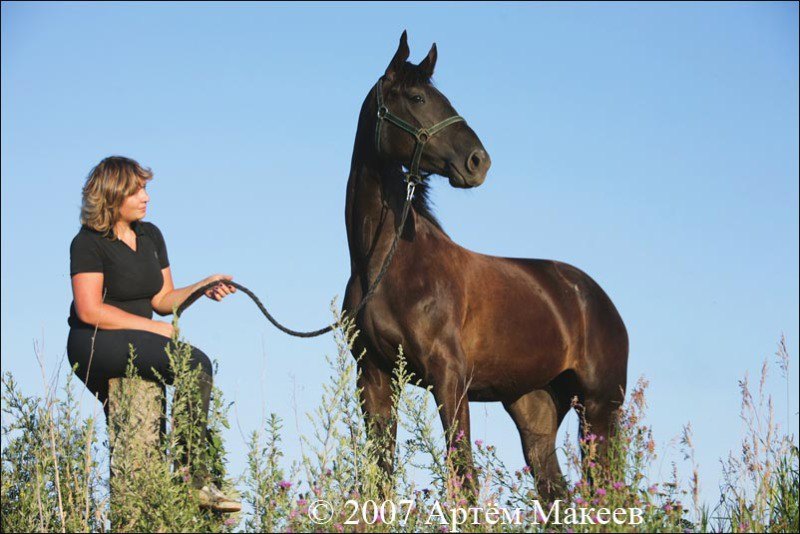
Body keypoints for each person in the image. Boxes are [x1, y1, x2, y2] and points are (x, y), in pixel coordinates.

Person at [67, 155, 241, 513]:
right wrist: (150, 327)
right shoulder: (87, 243)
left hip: (140, 340)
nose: (146, 197)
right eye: (137, 190)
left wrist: (203, 286)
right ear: (114, 196)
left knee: (154, 418)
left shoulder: (150, 235)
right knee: (194, 362)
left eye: (146, 188)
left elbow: (163, 299)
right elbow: (89, 310)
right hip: (94, 342)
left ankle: (170, 490)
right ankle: (192, 479)